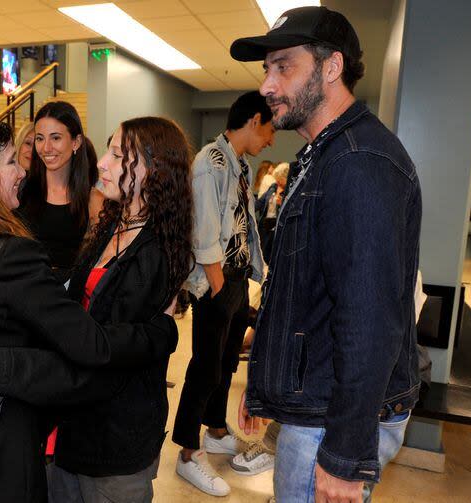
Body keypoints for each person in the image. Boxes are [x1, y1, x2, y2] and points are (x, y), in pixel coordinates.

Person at [0, 114, 178, 502]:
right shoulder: (8, 256)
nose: (23, 171)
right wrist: (161, 332)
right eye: (11, 161)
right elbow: (88, 343)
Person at [231, 6, 421, 502]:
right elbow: (302, 290)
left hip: (329, 422)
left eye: (283, 67)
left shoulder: (359, 163)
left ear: (331, 67)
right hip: (313, 402)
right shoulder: (324, 153)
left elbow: (370, 321)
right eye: (266, 69)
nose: (268, 85)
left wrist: (344, 456)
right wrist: (265, 384)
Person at [0, 116, 194, 503]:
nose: (102, 164)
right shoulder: (113, 222)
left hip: (115, 439)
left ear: (153, 170)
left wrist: (22, 369)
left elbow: (105, 354)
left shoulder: (155, 250)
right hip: (74, 423)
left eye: (117, 155)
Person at [174, 91, 275, 497]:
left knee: (226, 363)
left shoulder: (239, 164)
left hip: (234, 281)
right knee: (205, 367)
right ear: (253, 120)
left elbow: (241, 224)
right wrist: (217, 286)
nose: (270, 139)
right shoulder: (210, 164)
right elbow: (205, 234)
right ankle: (186, 452)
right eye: (268, 128)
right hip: (216, 281)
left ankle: (215, 430)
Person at [18, 101, 104, 283]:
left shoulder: (93, 200)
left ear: (76, 142)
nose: (46, 148)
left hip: (67, 296)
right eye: (40, 139)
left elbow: (100, 260)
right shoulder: (20, 192)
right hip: (22, 291)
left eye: (55, 138)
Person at [255, 162, 290, 260]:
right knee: (265, 254)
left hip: (279, 226)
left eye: (280, 179)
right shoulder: (273, 186)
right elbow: (261, 201)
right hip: (266, 224)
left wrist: (282, 203)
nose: (278, 181)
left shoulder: (290, 190)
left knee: (275, 256)